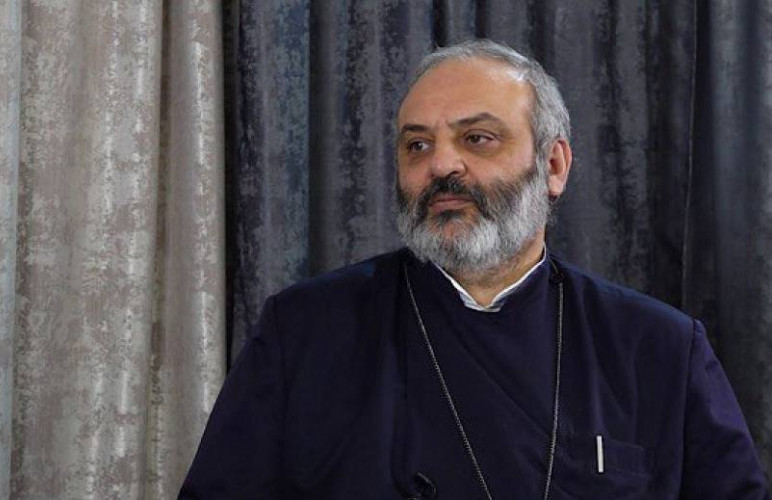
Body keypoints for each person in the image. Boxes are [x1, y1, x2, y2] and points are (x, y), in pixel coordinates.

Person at [180, 40, 770, 499]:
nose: (442, 166)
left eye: (478, 138)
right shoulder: (304, 330)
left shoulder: (661, 348)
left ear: (554, 165)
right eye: (417, 145)